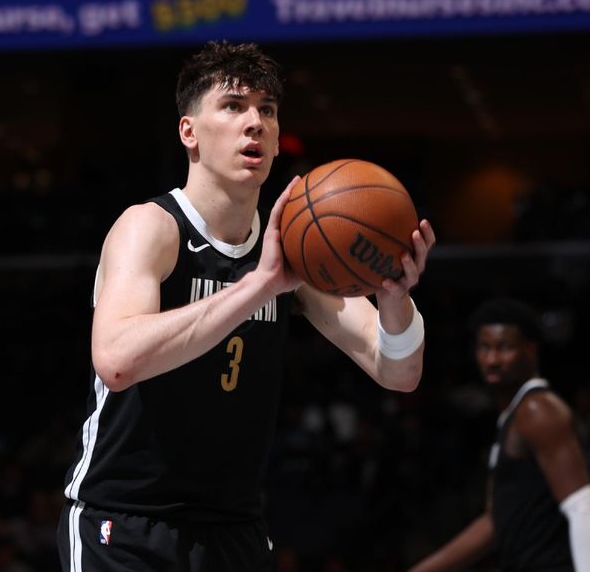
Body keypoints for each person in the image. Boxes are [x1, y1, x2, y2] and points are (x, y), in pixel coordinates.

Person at [57, 40, 436, 571]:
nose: (253, 121)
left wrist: (395, 302)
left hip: (235, 529)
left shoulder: (300, 248)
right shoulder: (151, 228)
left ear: (279, 140)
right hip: (125, 523)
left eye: (267, 110)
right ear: (190, 131)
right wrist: (259, 286)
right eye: (233, 106)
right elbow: (117, 360)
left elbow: (399, 372)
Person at [409, 298, 590, 572]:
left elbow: (582, 507)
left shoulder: (537, 409)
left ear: (531, 349)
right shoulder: (513, 416)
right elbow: (496, 521)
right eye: (485, 347)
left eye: (504, 347)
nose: (492, 359)